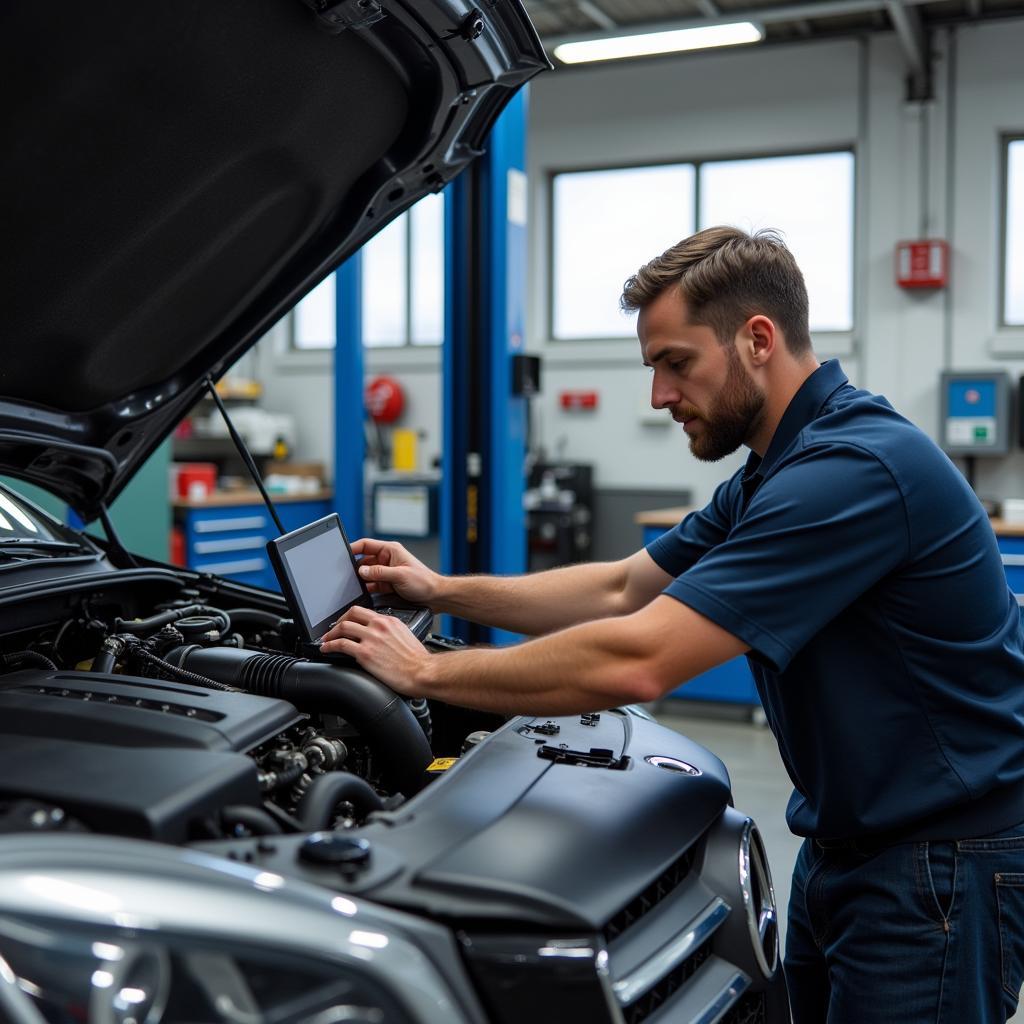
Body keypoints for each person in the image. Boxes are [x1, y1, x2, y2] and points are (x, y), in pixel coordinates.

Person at [320, 226, 1024, 1023]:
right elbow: (624, 588)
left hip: (939, 864)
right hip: (851, 845)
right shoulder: (776, 471)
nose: (659, 396)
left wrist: (427, 673)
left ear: (757, 339)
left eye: (675, 363)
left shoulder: (851, 472)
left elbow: (640, 658)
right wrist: (442, 590)